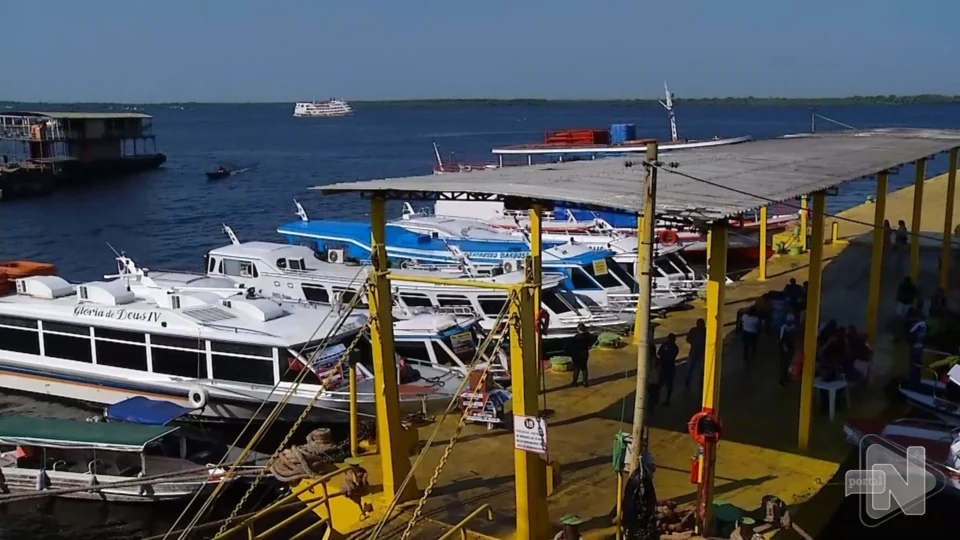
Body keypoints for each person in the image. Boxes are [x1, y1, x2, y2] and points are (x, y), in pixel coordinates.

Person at [658, 334, 680, 405]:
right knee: (667, 384)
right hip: (669, 367)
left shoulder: (666, 345)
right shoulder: (675, 347)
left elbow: (659, 353)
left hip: (665, 367)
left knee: (662, 384)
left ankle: (662, 399)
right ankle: (666, 399)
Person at [685, 319, 706, 391]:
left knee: (694, 368)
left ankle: (699, 382)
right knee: (692, 368)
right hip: (696, 352)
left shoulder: (702, 331)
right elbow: (687, 339)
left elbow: (688, 339)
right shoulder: (697, 330)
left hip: (697, 353)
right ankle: (689, 382)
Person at [778, 313, 797, 386]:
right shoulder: (784, 328)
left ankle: (786, 377)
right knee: (783, 365)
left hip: (790, 348)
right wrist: (785, 349)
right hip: (784, 348)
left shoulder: (792, 327)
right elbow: (781, 340)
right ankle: (781, 380)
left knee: (788, 364)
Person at [647, 342, 660, 414]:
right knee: (652, 395)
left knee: (649, 395)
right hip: (655, 379)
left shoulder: (647, 359)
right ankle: (651, 408)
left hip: (650, 379)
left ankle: (650, 408)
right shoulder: (657, 359)